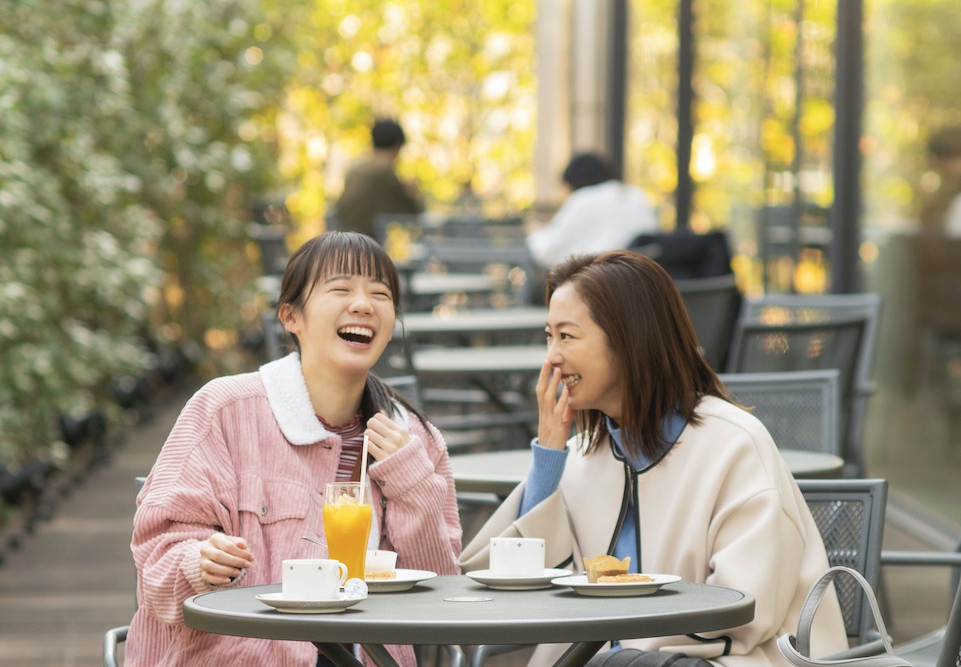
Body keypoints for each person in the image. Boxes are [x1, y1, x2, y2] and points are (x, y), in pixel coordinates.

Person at [459, 250, 847, 667]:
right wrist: (549, 457)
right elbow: (505, 589)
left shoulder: (733, 446)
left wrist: (626, 654)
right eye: (548, 336)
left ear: (628, 340)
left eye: (567, 336)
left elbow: (742, 612)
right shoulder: (578, 458)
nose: (551, 357)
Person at [126, 231, 462, 667]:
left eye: (380, 294)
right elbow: (156, 559)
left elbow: (439, 593)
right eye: (340, 289)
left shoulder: (413, 438)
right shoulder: (225, 411)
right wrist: (197, 561)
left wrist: (411, 481)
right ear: (291, 317)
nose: (363, 304)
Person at [525, 152, 658, 270]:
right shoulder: (636, 196)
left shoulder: (583, 200)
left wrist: (535, 233)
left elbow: (548, 250)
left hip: (602, 282)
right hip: (642, 277)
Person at [331, 119, 424, 240]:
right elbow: (413, 212)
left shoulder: (355, 168)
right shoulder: (384, 172)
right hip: (365, 244)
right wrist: (412, 191)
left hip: (342, 240)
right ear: (398, 145)